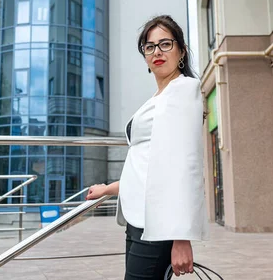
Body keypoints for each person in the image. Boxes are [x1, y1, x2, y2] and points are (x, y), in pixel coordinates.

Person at [86, 15, 208, 279]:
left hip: (160, 224)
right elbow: (148, 166)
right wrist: (108, 188)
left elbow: (186, 165)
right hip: (139, 221)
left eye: (165, 44)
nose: (157, 52)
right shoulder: (160, 96)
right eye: (149, 46)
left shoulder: (183, 90)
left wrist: (181, 237)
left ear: (182, 51)